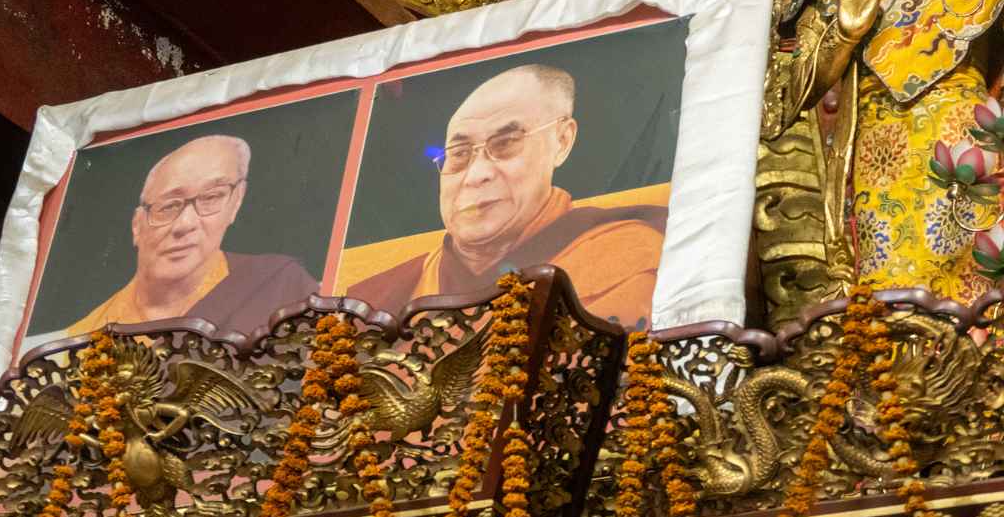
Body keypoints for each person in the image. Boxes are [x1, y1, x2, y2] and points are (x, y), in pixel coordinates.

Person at [784, 0, 1004, 303]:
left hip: (968, 145)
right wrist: (845, 35)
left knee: (971, 284)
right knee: (891, 286)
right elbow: (795, 92)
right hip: (881, 153)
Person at [347, 64, 667, 326]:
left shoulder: (628, 255)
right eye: (458, 153)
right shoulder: (378, 296)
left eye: (505, 144)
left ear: (562, 140)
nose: (476, 175)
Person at [66, 135, 319, 337]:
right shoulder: (86, 335)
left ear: (236, 202)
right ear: (137, 225)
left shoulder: (277, 284)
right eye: (168, 206)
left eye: (211, 198)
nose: (185, 225)